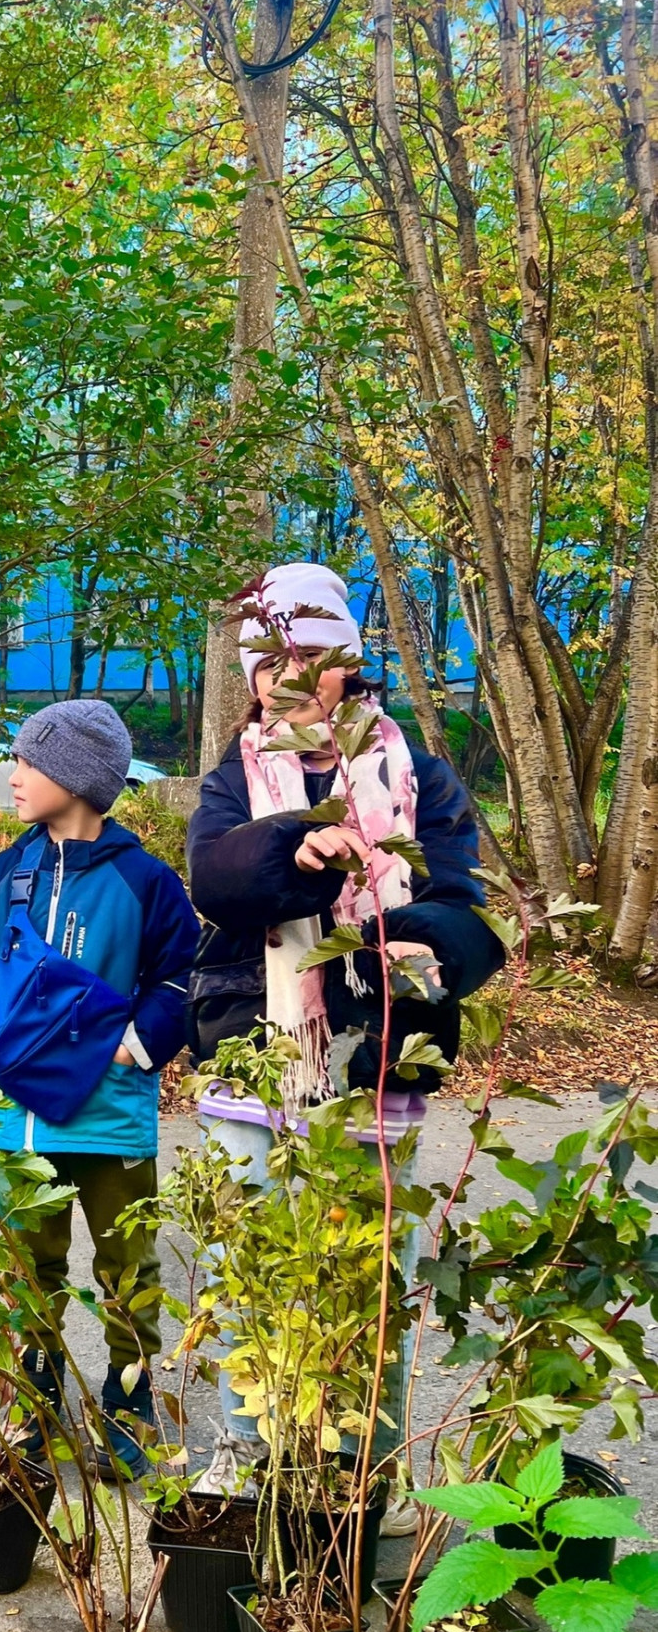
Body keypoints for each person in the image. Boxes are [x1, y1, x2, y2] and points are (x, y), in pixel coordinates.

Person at [186, 562, 504, 1522]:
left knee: (368, 1267)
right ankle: (251, 1455)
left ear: (347, 664)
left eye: (312, 657)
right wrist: (296, 845)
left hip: (379, 1051)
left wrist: (428, 938)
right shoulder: (232, 779)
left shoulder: (421, 776)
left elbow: (469, 912)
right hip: (257, 1050)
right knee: (252, 1257)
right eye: (273, 661)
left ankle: (367, 1463)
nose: (292, 677)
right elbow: (214, 882)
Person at [0, 700, 199, 1476]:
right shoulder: (5, 873)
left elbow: (181, 976)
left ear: (78, 778)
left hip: (112, 1120)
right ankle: (34, 1392)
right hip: (14, 1129)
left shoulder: (145, 881)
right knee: (28, 1268)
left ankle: (127, 1398)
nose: (11, 776)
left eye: (27, 761)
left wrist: (137, 1043)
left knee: (128, 1268)